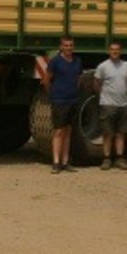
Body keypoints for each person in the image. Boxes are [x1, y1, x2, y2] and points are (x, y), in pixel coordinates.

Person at [43, 36, 82, 174]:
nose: (68, 48)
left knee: (68, 131)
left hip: (72, 100)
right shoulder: (55, 62)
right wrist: (53, 94)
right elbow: (47, 80)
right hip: (59, 100)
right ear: (61, 47)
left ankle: (66, 162)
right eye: (66, 45)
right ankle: (56, 162)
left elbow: (78, 80)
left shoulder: (77, 61)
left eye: (71, 45)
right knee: (58, 131)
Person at [93, 42, 127, 171]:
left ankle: (120, 158)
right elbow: (97, 83)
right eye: (112, 49)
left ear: (120, 51)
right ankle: (106, 158)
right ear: (108, 51)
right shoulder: (103, 66)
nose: (114, 52)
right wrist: (104, 97)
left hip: (123, 104)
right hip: (108, 104)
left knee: (121, 133)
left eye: (117, 49)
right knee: (107, 133)